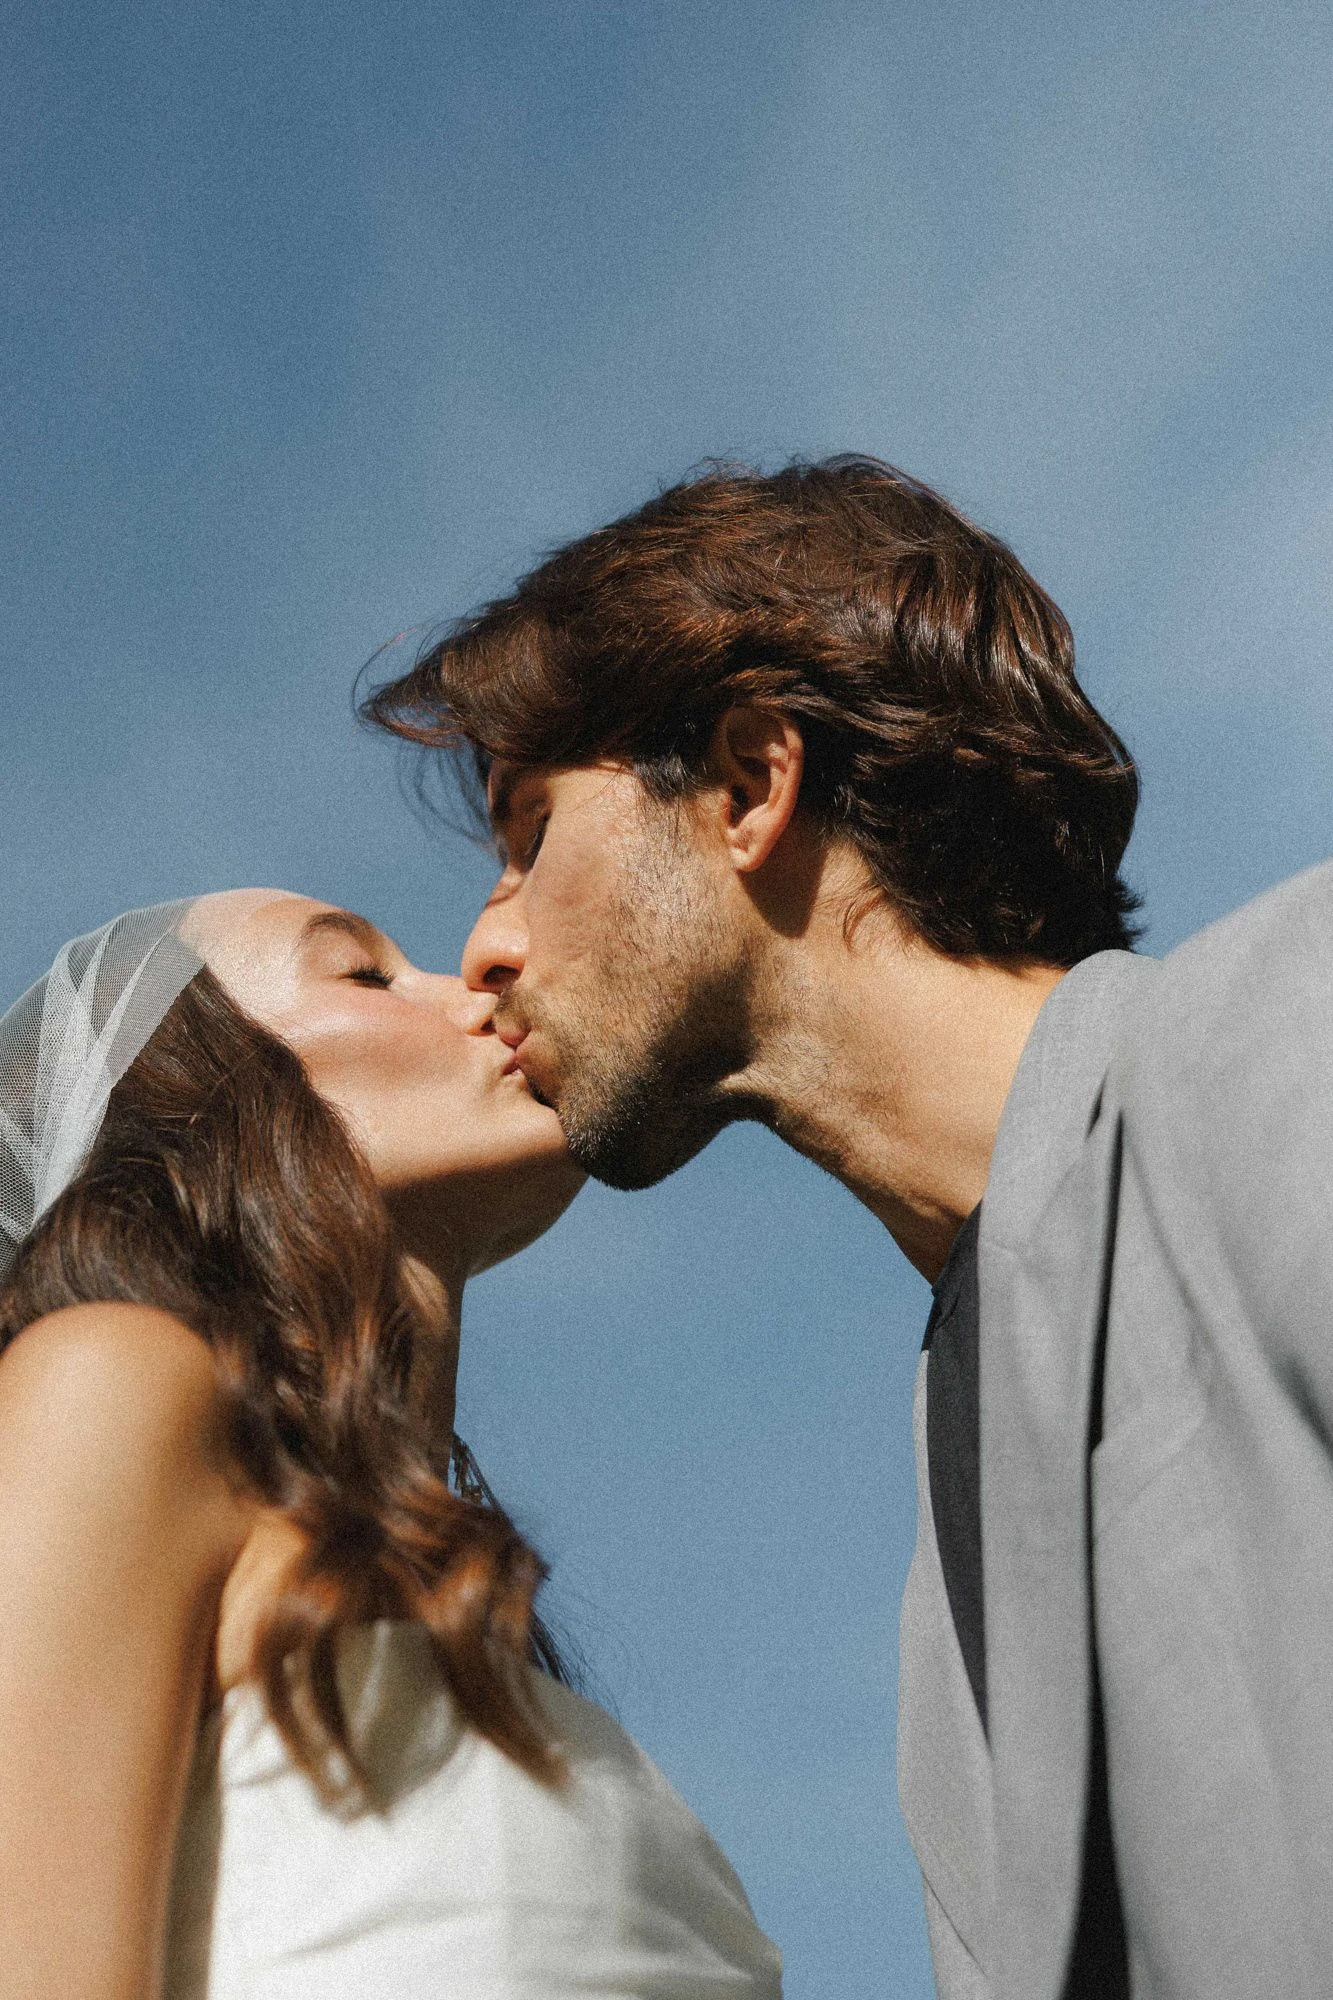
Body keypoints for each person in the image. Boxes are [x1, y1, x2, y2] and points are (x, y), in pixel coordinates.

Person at [365, 456, 1333, 1999]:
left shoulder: (1297, 1021)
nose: (482, 947)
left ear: (751, 786)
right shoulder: (940, 1583)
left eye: (530, 831)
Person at [0, 890, 783, 2000]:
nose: (479, 987)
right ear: (199, 1096)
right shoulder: (107, 1385)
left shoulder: (534, 1691)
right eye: (364, 975)